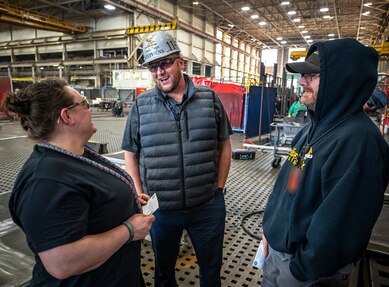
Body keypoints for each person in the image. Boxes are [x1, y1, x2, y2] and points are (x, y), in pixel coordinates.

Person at [261, 39, 389, 286]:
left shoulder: (358, 143)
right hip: (279, 255)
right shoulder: (312, 130)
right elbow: (289, 187)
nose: (301, 82)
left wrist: (302, 268)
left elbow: (343, 224)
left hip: (307, 273)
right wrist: (272, 231)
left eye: (311, 76)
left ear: (340, 81)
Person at [2, 79, 155, 286]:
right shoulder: (46, 180)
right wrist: (129, 230)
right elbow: (62, 263)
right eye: (83, 103)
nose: (89, 109)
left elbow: (89, 198)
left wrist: (120, 201)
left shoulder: (76, 155)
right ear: (67, 116)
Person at [121, 31, 232, 287]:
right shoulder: (141, 105)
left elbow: (224, 143)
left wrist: (219, 188)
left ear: (180, 62)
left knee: (211, 270)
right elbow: (131, 153)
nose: (159, 72)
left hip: (207, 206)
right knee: (163, 272)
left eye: (165, 63)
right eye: (153, 66)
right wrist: (139, 193)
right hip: (162, 210)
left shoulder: (209, 99)